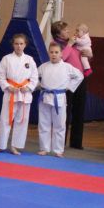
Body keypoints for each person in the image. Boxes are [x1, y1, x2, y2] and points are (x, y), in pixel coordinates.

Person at [0, 34, 38, 154]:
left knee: (21, 120)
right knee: (5, 119)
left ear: (25, 45)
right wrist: (8, 87)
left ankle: (15, 146)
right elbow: (1, 76)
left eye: (21, 44)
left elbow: (34, 78)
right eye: (16, 44)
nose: (19, 46)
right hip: (10, 93)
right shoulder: (6, 59)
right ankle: (1, 145)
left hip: (24, 94)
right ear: (13, 45)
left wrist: (28, 87)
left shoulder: (30, 60)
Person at [37, 43, 84, 157]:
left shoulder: (67, 67)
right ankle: (44, 148)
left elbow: (80, 76)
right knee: (44, 123)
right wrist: (38, 85)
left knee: (59, 125)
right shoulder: (43, 66)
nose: (54, 54)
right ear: (48, 53)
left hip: (59, 97)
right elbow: (33, 77)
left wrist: (69, 87)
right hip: (45, 97)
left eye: (56, 52)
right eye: (51, 52)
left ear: (61, 54)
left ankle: (58, 150)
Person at [51, 20, 92, 150]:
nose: (68, 31)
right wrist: (69, 45)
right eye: (65, 30)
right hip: (67, 80)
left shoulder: (75, 42)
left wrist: (89, 55)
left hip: (80, 78)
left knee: (79, 109)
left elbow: (83, 56)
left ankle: (76, 142)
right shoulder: (56, 45)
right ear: (58, 34)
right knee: (65, 111)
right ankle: (60, 141)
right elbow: (61, 58)